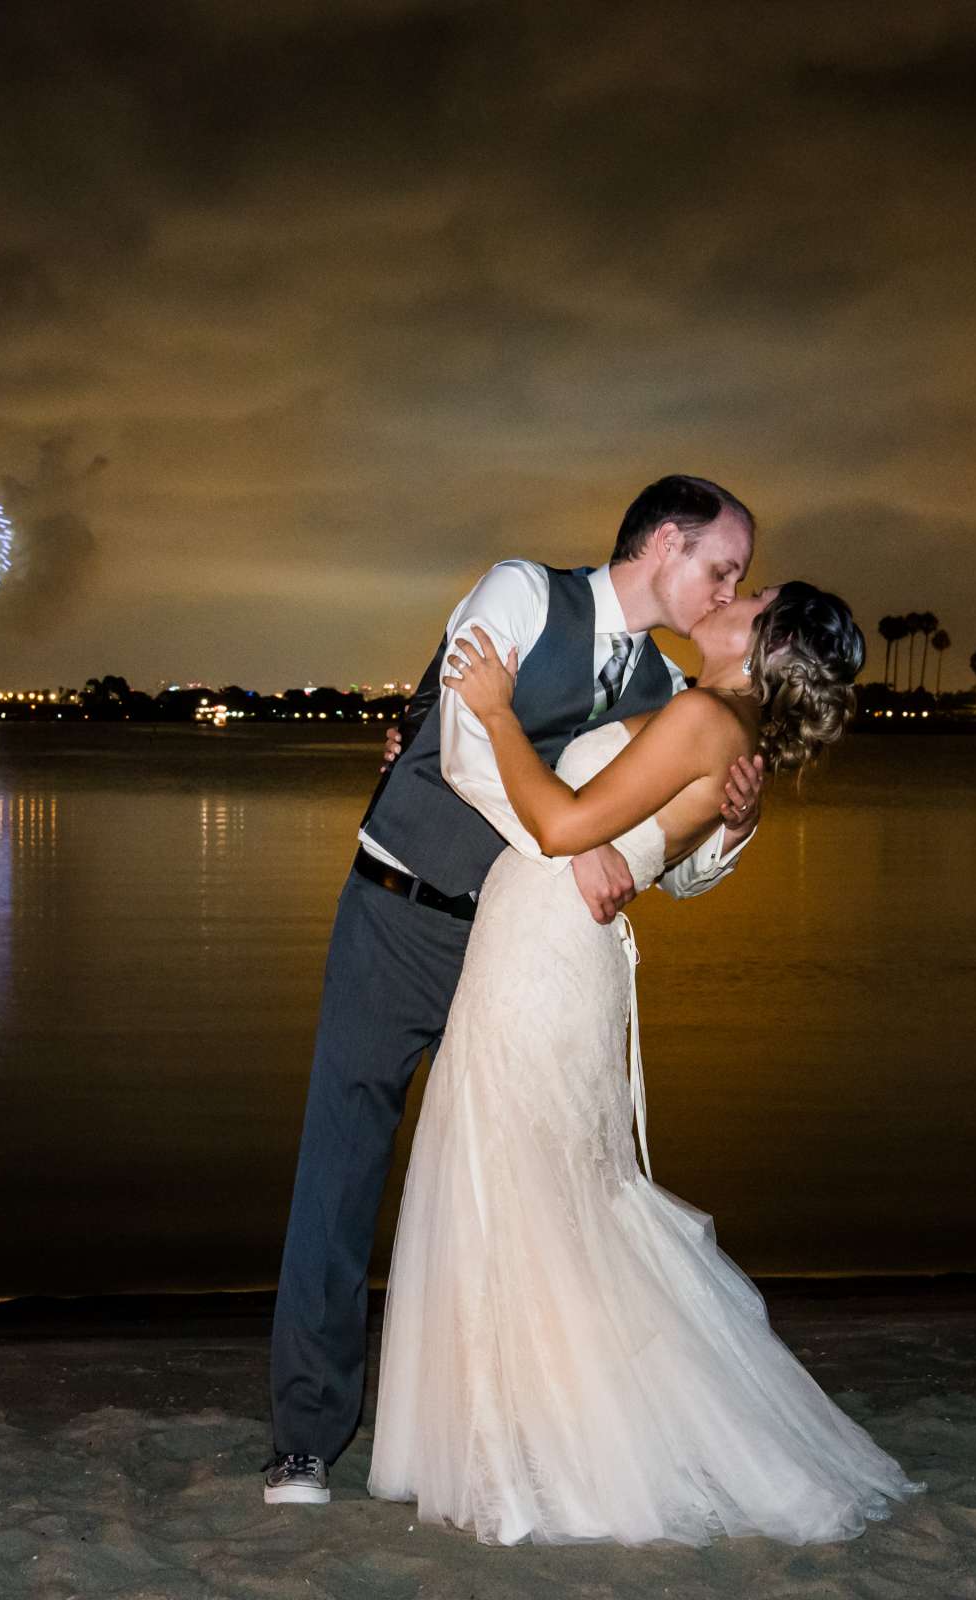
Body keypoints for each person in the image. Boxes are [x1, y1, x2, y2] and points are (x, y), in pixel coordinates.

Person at [365, 581, 923, 1545]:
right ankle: (526, 1438)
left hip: (544, 954)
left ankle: (553, 1458)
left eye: (752, 594)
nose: (731, 592)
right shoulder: (713, 719)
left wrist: (492, 712)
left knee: (522, 1189)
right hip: (549, 948)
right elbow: (601, 822)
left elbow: (563, 828)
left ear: (763, 639)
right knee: (535, 1191)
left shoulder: (708, 715)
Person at [265, 476, 768, 1506]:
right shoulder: (522, 594)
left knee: (509, 1189)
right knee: (342, 1171)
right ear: (666, 543)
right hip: (398, 915)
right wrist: (564, 844)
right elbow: (457, 742)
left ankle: (499, 1423)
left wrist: (734, 827)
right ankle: (306, 1433)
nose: (726, 593)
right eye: (722, 568)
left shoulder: (669, 698)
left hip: (514, 955)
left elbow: (670, 863)